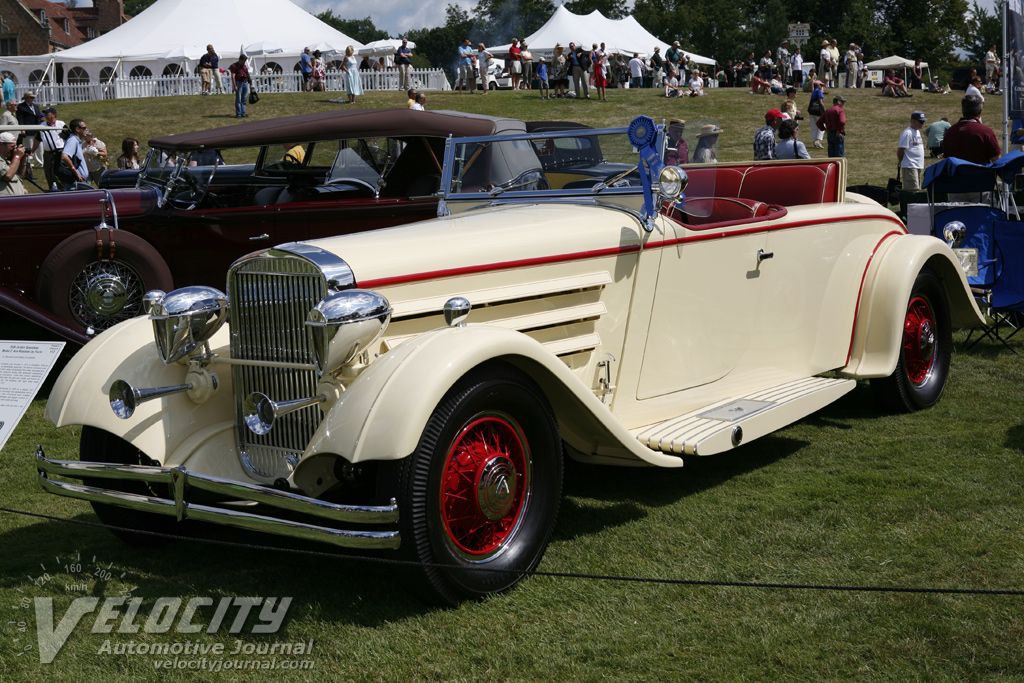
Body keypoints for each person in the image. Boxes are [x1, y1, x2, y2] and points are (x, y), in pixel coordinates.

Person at [942, 95, 1000, 164]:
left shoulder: (949, 132)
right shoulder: (986, 132)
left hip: (955, 174)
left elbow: (946, 158)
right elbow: (997, 161)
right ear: (980, 111)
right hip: (980, 173)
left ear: (962, 110)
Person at [897, 111, 927, 192]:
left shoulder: (917, 132)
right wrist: (900, 160)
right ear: (913, 121)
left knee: (916, 189)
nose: (922, 124)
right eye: (920, 122)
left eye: (923, 122)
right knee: (912, 190)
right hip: (910, 165)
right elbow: (901, 149)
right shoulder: (907, 132)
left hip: (917, 165)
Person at [38, 107, 65, 189]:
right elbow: (37, 139)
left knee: (57, 172)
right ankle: (51, 188)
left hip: (59, 151)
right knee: (48, 172)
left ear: (54, 115)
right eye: (45, 113)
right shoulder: (42, 126)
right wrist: (31, 151)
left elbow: (68, 137)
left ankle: (62, 189)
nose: (45, 115)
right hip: (47, 152)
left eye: (47, 113)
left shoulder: (61, 124)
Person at [60, 118, 90, 187]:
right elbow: (64, 156)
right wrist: (76, 173)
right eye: (84, 128)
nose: (86, 129)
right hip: (76, 183)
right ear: (77, 129)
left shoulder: (76, 140)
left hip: (79, 182)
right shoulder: (73, 140)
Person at [16, 92, 40, 170]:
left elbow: (37, 116)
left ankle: (40, 163)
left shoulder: (35, 106)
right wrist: (22, 128)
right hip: (28, 129)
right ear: (26, 98)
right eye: (31, 97)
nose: (33, 99)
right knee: (29, 147)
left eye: (33, 98)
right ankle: (30, 163)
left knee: (39, 147)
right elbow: (20, 118)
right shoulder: (21, 107)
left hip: (36, 129)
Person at [808, 79, 826, 148]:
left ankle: (814, 142)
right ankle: (818, 141)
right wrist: (824, 110)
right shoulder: (819, 91)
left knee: (814, 127)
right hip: (818, 111)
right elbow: (820, 101)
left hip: (812, 111)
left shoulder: (813, 92)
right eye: (821, 85)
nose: (822, 87)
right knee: (822, 125)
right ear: (818, 86)